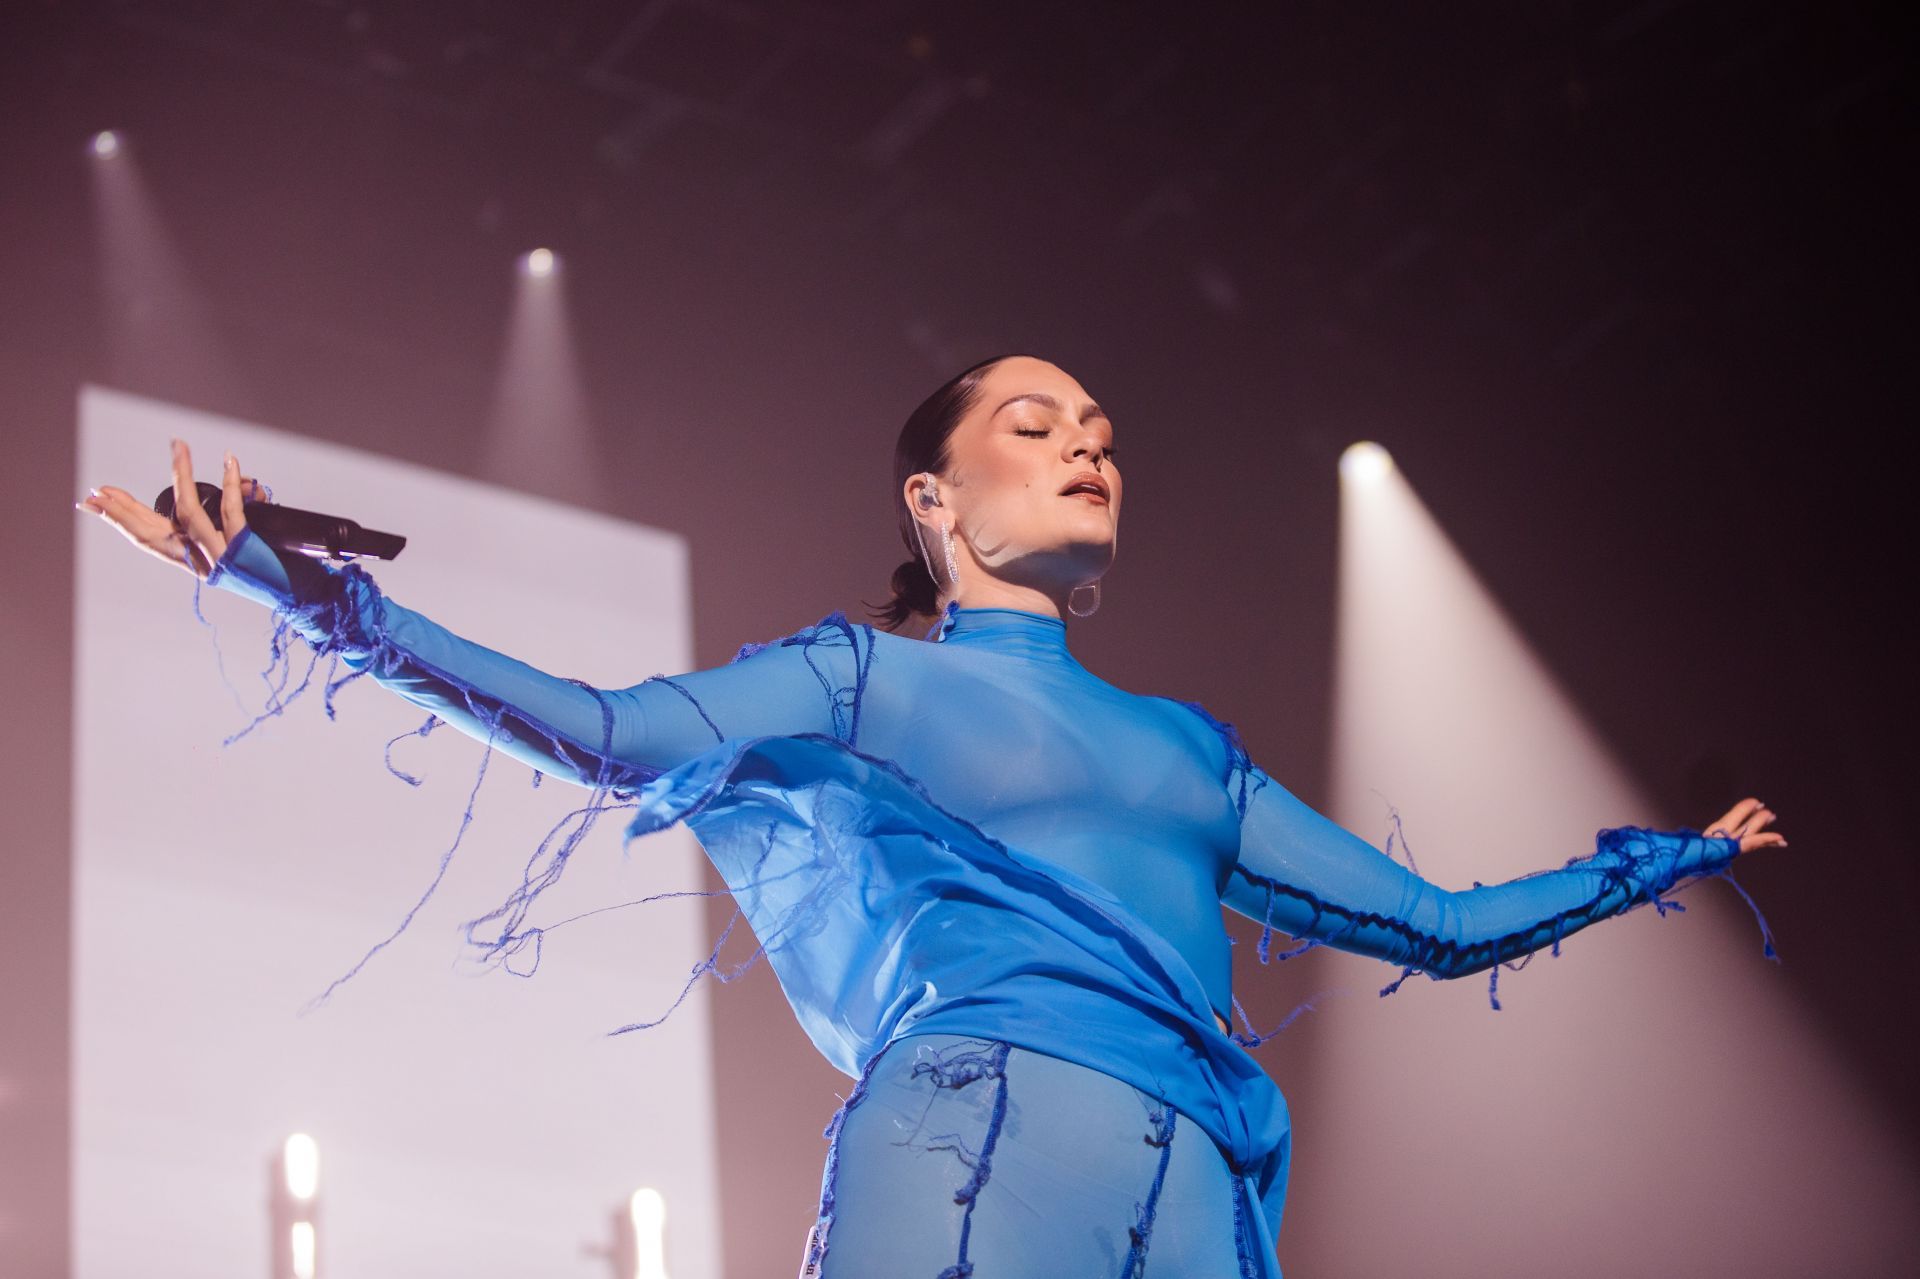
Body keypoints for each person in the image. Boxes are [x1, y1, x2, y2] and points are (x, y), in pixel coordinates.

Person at [77, 354, 1786, 1277]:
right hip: (967, 1140)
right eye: (1034, 425)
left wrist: (1668, 859)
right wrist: (317, 599)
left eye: (1103, 432)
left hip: (1195, 1179)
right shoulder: (854, 679)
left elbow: (1432, 922)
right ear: (936, 496)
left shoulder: (1193, 750)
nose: (1086, 446)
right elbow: (603, 736)